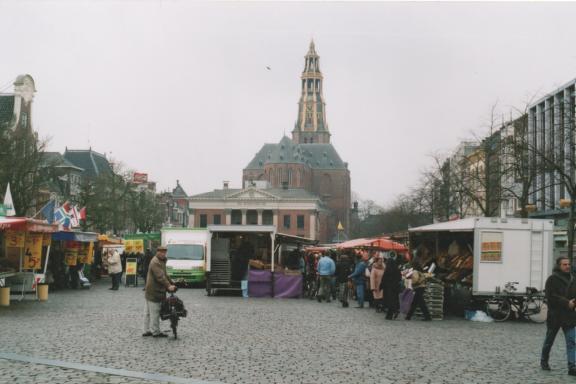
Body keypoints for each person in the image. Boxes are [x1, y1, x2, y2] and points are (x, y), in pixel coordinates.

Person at [540, 256, 576, 375]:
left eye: (568, 264)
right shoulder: (552, 279)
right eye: (564, 264)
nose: (567, 266)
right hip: (555, 316)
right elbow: (550, 296)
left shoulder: (573, 278)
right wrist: (567, 303)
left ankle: (572, 366)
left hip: (569, 316)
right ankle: (544, 361)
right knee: (549, 341)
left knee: (571, 341)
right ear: (558, 266)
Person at [143, 246, 176, 338]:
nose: (163, 254)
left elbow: (165, 274)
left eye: (164, 252)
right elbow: (160, 277)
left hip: (150, 290)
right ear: (157, 252)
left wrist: (172, 282)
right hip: (154, 291)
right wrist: (169, 286)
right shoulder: (155, 262)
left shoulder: (161, 261)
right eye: (161, 252)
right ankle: (155, 331)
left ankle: (146, 330)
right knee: (155, 312)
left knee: (148, 312)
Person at [381, 253, 402, 320]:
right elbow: (400, 278)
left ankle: (394, 311)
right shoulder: (397, 269)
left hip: (388, 287)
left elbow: (384, 278)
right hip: (395, 287)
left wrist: (381, 285)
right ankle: (390, 315)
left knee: (390, 301)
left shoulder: (387, 269)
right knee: (394, 300)